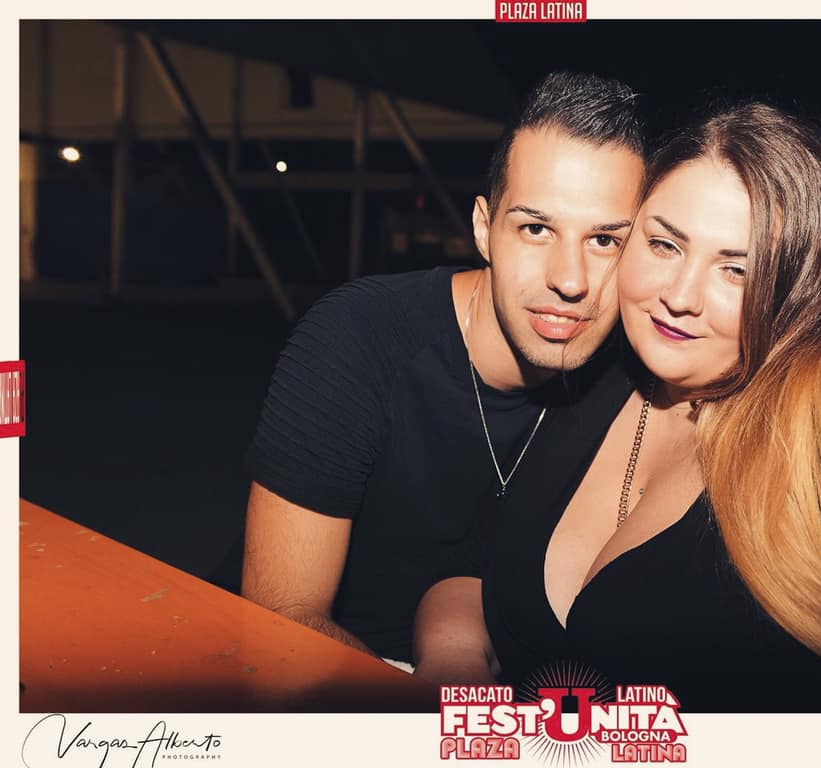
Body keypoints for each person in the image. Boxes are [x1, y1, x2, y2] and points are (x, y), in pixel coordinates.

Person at [414, 101, 821, 711]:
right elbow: (477, 560)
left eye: (737, 269)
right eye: (664, 245)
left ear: (801, 289)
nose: (680, 295)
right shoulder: (598, 373)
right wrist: (453, 661)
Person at [241, 72, 646, 667]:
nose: (570, 280)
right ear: (484, 229)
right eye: (536, 229)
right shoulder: (359, 338)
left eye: (605, 240)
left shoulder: (633, 381)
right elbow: (281, 621)